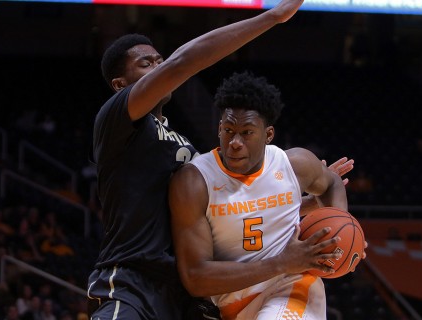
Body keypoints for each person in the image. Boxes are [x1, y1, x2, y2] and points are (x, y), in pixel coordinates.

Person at [86, 1, 310, 319]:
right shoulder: (116, 121)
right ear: (121, 85)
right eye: (145, 64)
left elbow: (235, 208)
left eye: (159, 61)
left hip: (185, 294)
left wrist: (303, 196)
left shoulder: (188, 147)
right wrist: (272, 17)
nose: (158, 67)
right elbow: (183, 62)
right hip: (132, 282)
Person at [169, 71, 349, 320]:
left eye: (247, 132)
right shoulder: (194, 181)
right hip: (231, 306)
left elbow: (332, 183)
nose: (235, 141)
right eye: (229, 130)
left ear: (269, 135)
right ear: (219, 128)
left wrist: (342, 226)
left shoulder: (294, 165)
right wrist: (282, 262)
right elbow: (195, 278)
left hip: (291, 286)